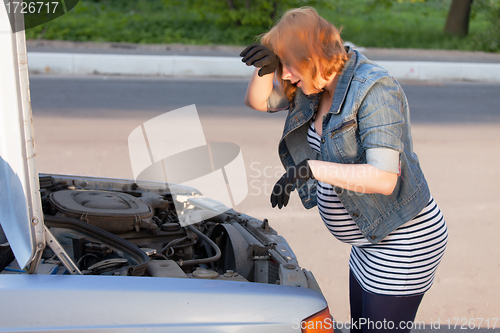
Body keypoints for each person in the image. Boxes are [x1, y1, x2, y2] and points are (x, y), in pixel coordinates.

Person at [240, 7, 448, 333]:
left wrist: (310, 170)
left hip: (402, 242)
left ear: (311, 57)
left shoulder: (375, 90)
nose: (284, 76)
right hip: (366, 241)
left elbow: (383, 178)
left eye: (287, 66)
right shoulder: (317, 82)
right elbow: (258, 101)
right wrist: (264, 68)